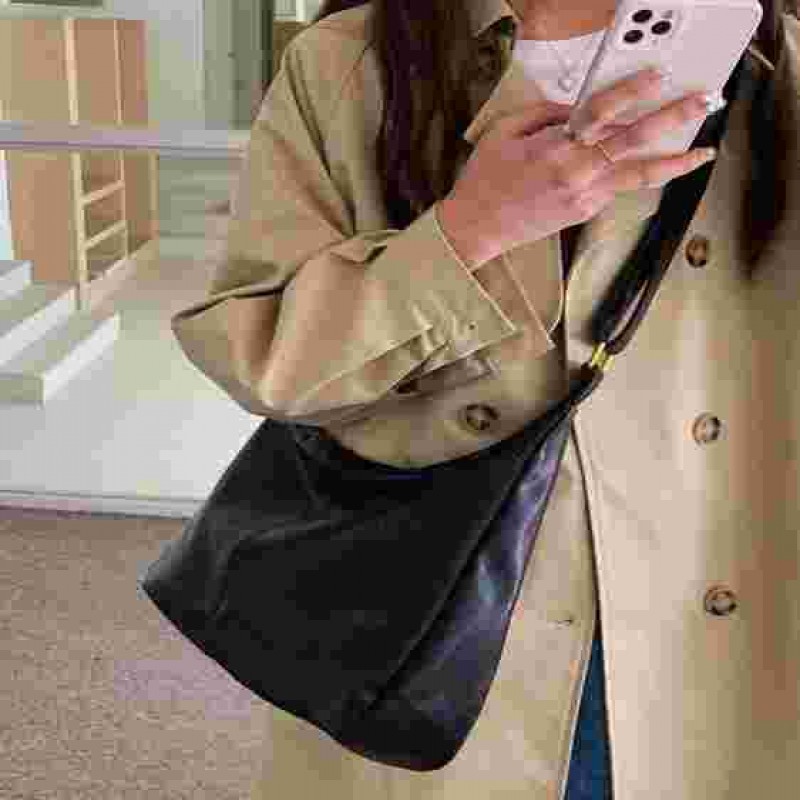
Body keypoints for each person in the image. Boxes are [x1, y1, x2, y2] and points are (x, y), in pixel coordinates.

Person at [169, 1, 800, 798]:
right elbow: (268, 362)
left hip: (713, 606)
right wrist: (470, 233)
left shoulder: (772, 67)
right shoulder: (347, 64)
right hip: (453, 619)